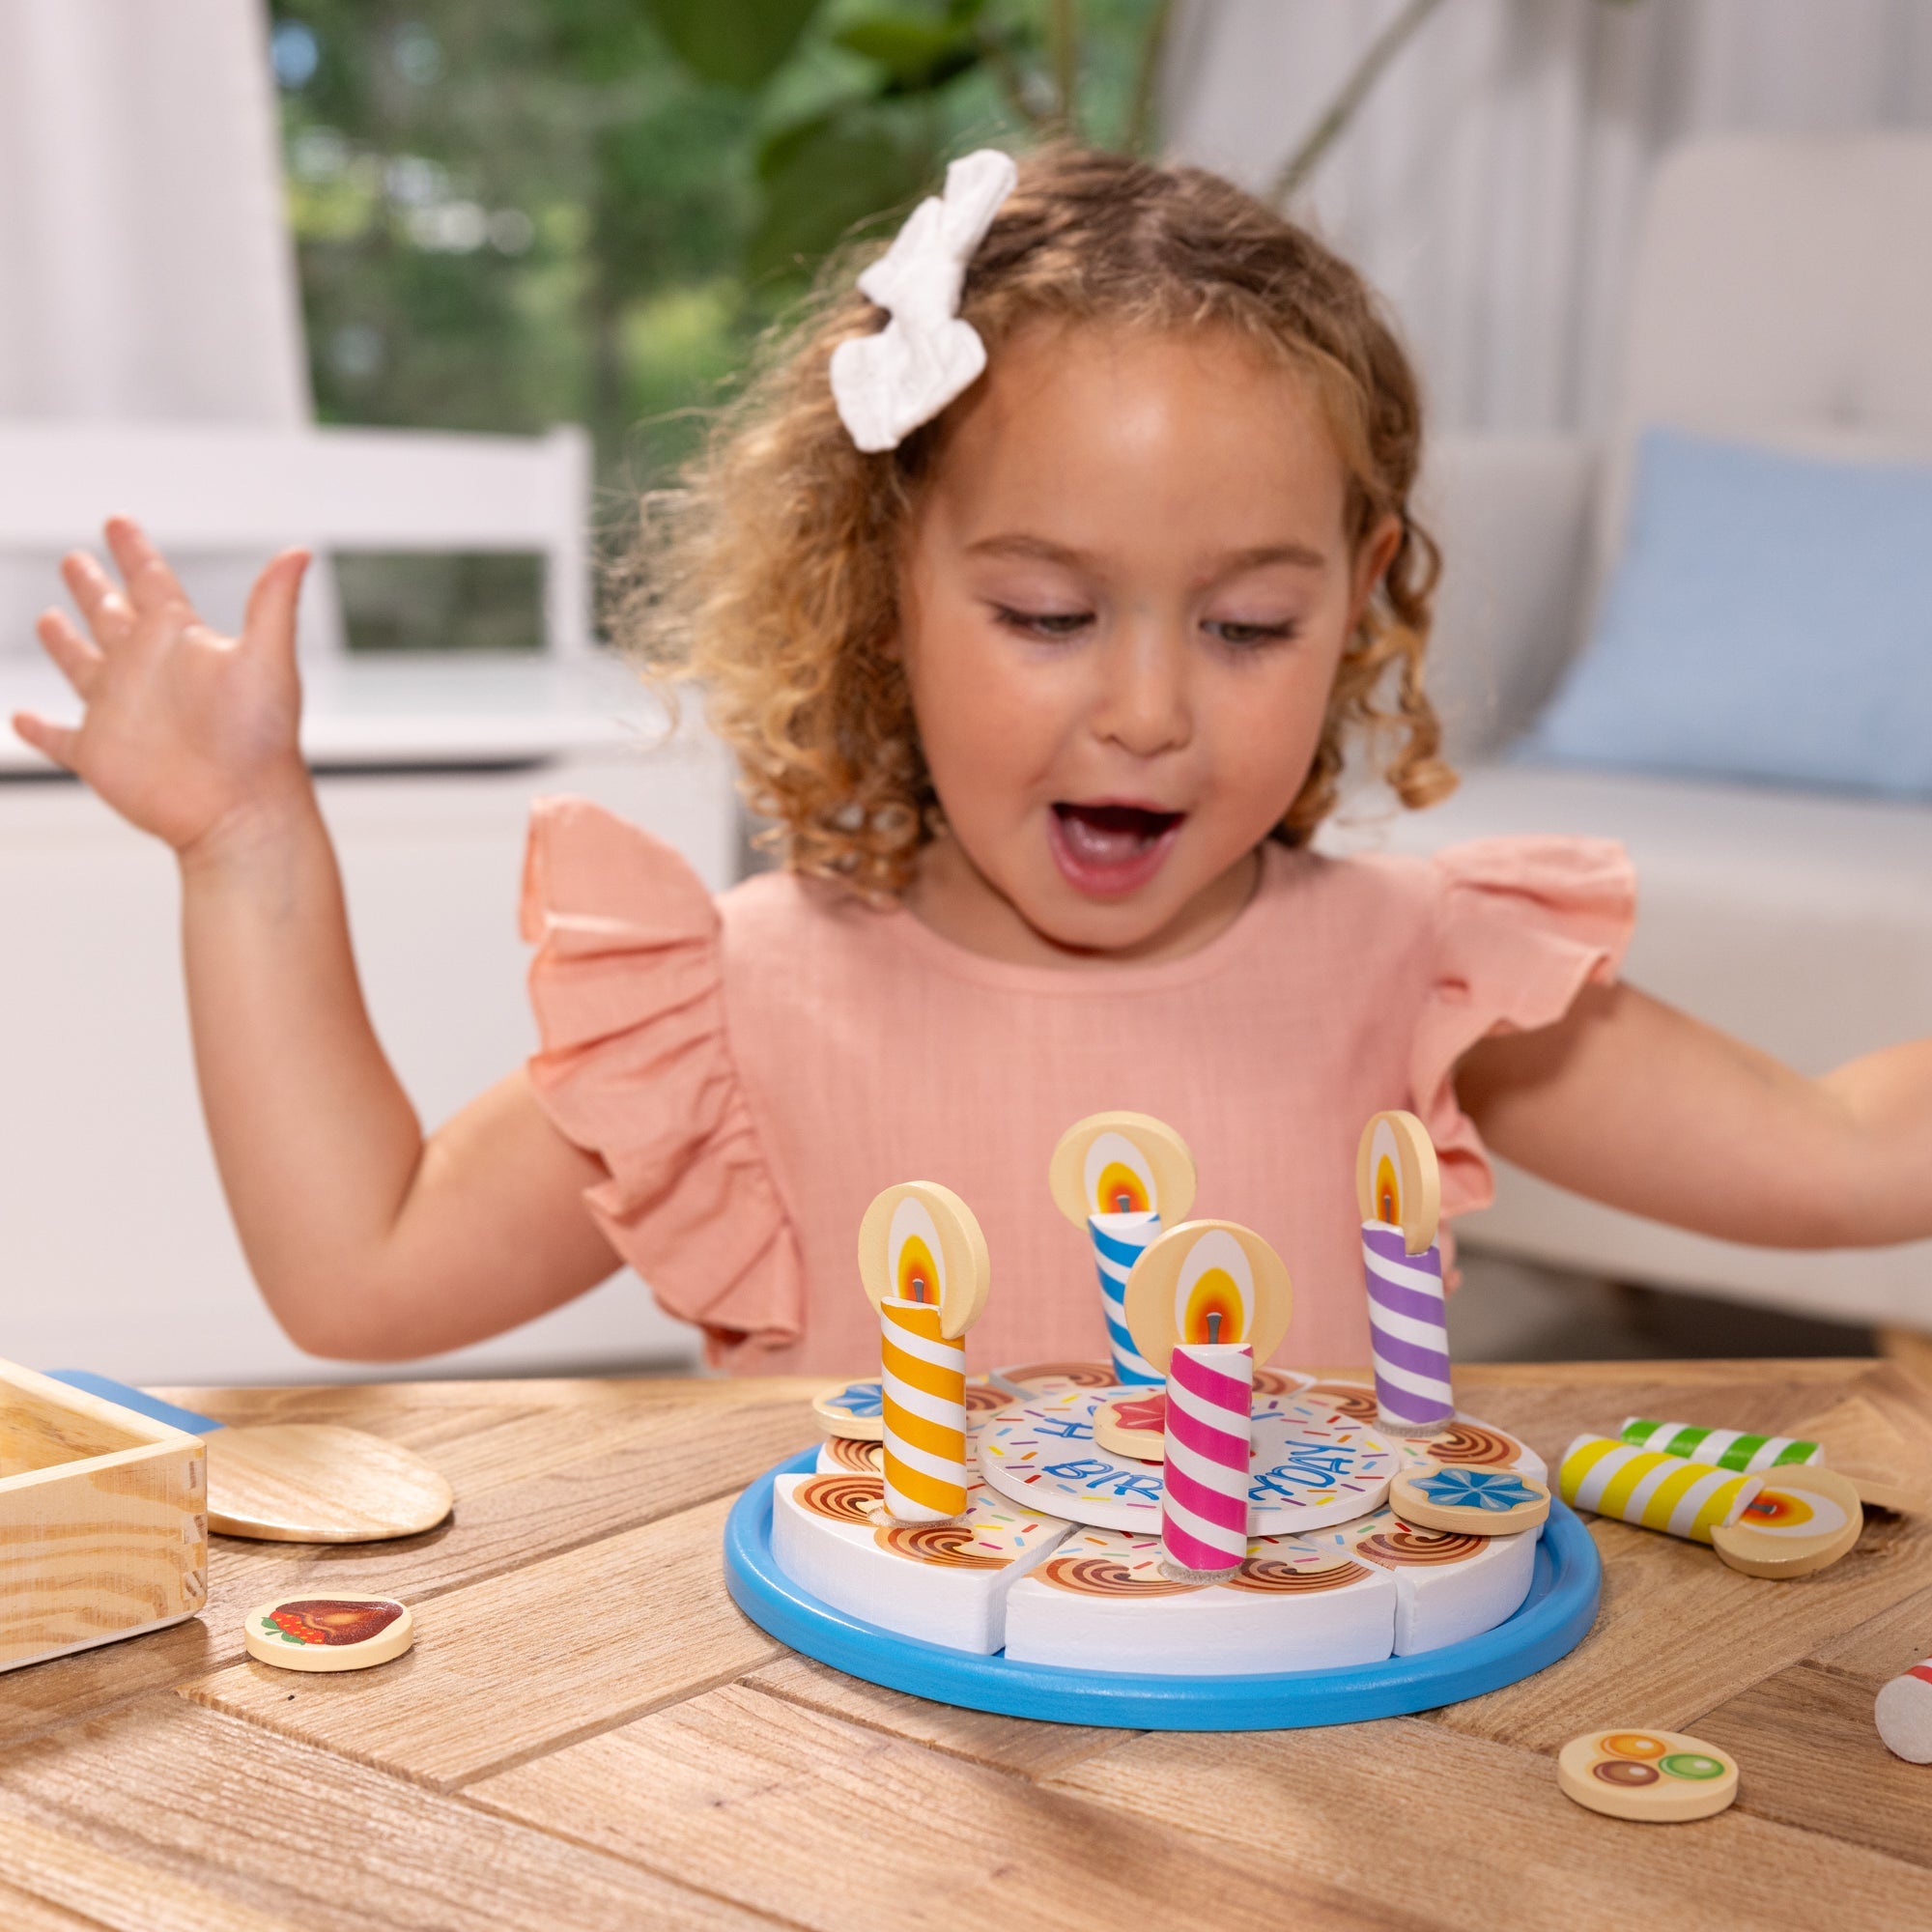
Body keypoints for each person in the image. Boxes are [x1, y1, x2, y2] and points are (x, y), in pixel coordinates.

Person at [14, 149, 1930, 1377]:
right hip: (852, 1797)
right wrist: (245, 844)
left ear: (1357, 604)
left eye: (1247, 628)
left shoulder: (1431, 980)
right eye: (1046, 613)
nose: (1149, 711)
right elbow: (359, 1273)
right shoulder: (736, 1004)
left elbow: (1845, 1160)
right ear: (885, 595)